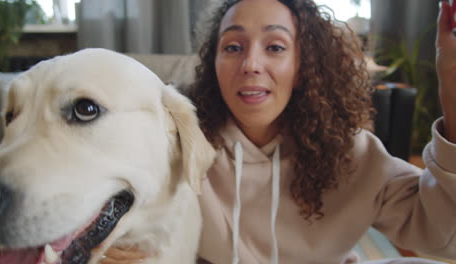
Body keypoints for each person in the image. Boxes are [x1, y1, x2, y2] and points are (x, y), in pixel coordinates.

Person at [102, 0, 456, 263]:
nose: (251, 64)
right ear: (214, 66)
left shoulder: (354, 154)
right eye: (233, 47)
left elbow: (442, 233)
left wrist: (451, 85)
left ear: (303, 67)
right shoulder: (175, 138)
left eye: (275, 47)